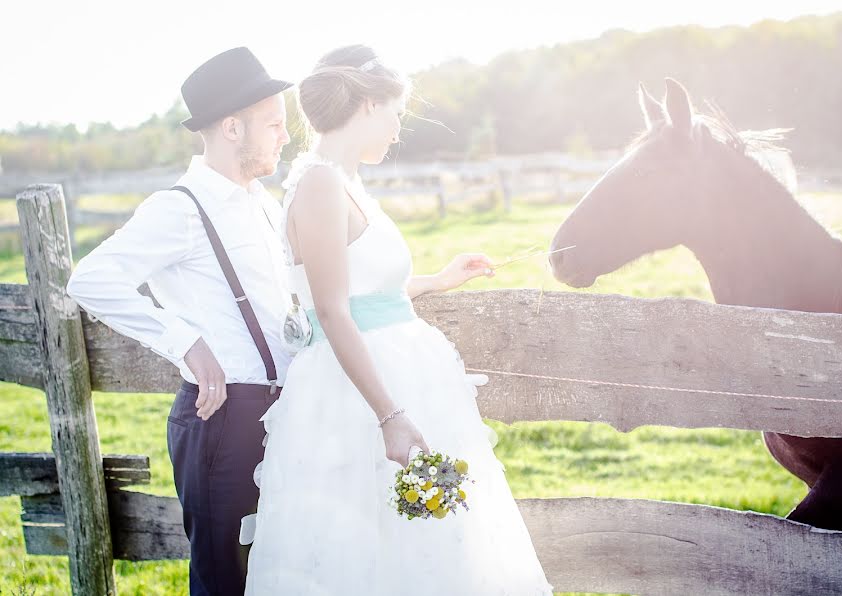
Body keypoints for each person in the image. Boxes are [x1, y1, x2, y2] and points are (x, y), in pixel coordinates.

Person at [242, 44, 554, 595]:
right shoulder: (318, 183)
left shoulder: (346, 180)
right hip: (359, 394)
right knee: (365, 542)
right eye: (395, 113)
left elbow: (361, 290)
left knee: (429, 543)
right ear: (366, 104)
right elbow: (331, 309)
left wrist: (435, 280)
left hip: (397, 373)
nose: (397, 128)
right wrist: (389, 414)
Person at [66, 47, 294, 595]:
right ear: (233, 127)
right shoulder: (181, 209)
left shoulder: (262, 202)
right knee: (224, 578)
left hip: (285, 410)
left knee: (280, 567)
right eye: (275, 124)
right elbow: (89, 279)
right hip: (225, 418)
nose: (285, 137)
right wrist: (184, 341)